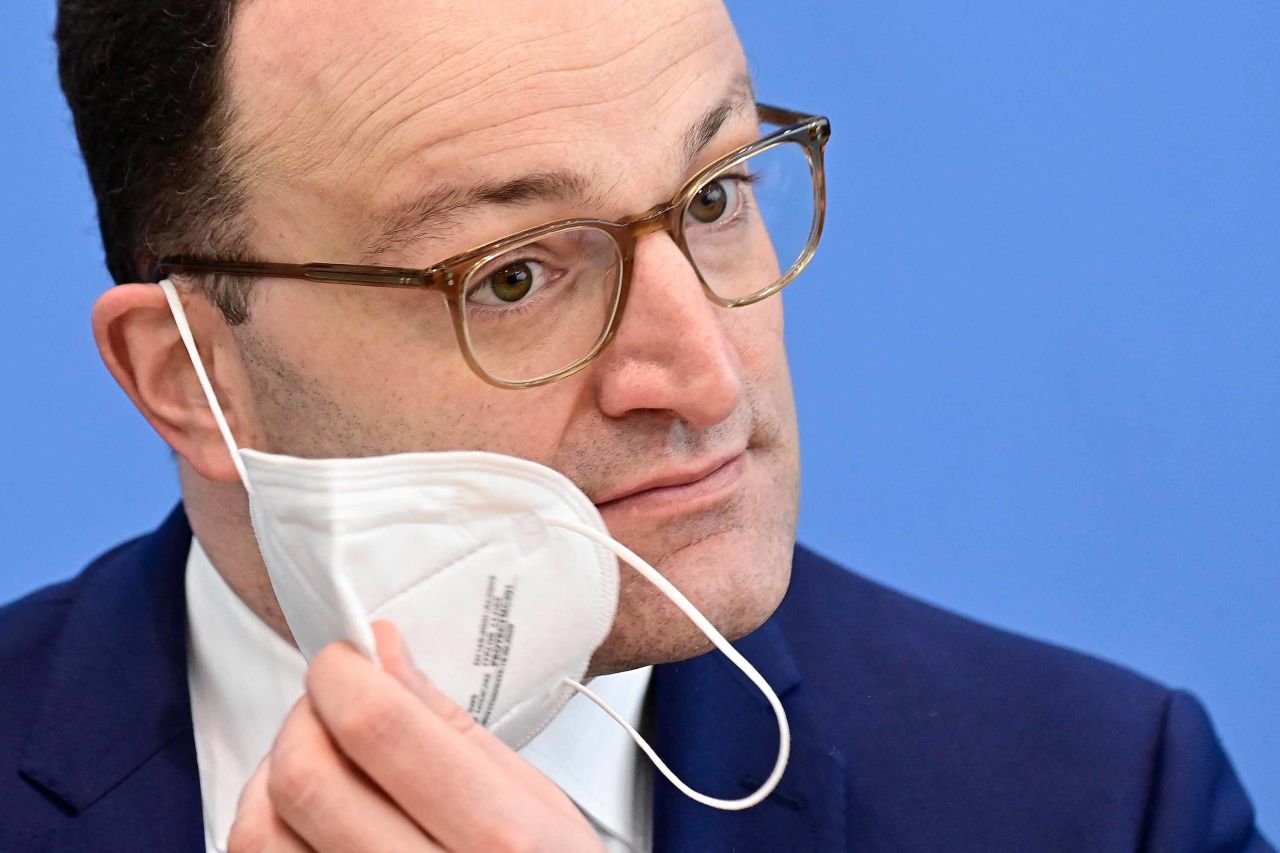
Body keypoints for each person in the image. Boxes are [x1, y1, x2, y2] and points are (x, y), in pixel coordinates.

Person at [0, 0, 1270, 850]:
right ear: (186, 374)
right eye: (509, 276)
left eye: (715, 193)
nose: (705, 374)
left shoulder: (1101, 799)